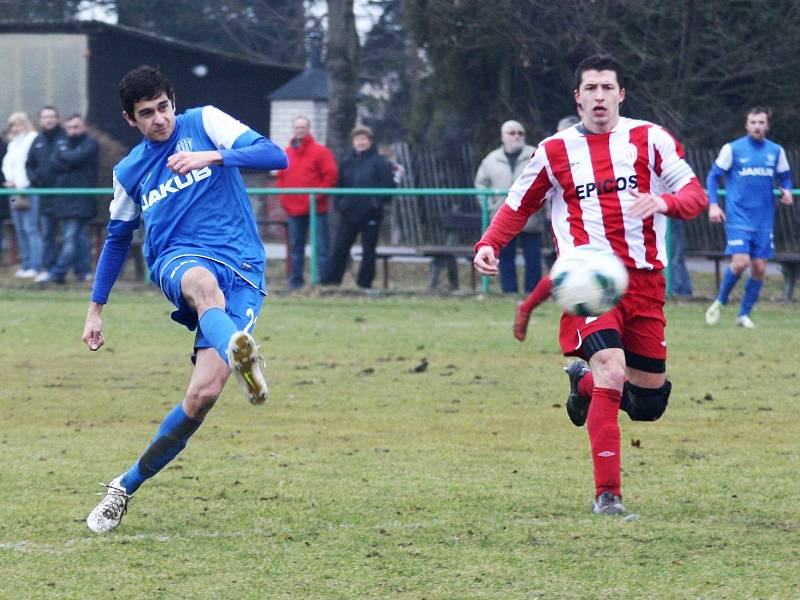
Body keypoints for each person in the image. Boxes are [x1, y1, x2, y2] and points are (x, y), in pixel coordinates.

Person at [474, 54, 707, 514]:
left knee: (647, 401)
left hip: (644, 283)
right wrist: (489, 244)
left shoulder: (650, 139)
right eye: (590, 89)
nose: (599, 96)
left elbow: (694, 196)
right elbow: (518, 205)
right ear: (577, 97)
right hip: (589, 283)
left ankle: (581, 385)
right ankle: (608, 497)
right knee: (612, 369)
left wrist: (661, 202)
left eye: (607, 88)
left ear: (621, 94)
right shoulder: (555, 150)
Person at [83, 65, 287, 533]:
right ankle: (241, 349)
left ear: (173, 101)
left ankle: (124, 486)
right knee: (201, 287)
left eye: (163, 107)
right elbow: (117, 240)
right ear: (130, 119)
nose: (159, 119)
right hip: (178, 259)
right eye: (146, 114)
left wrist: (213, 157)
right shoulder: (129, 170)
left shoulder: (206, 123)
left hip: (244, 266)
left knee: (202, 395)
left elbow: (276, 157)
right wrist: (96, 309)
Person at [704, 108, 793, 328]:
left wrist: (787, 190)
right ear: (746, 124)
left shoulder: (775, 151)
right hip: (737, 216)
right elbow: (713, 176)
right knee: (741, 262)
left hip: (763, 219)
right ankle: (721, 301)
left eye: (761, 122)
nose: (757, 126)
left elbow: (785, 178)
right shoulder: (732, 149)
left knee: (760, 268)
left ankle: (743, 315)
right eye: (753, 122)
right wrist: (713, 205)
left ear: (767, 125)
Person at [512, 115, 580, 340]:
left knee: (566, 272)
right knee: (568, 270)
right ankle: (527, 306)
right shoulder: (553, 155)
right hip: (569, 228)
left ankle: (527, 306)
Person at [322, 126, 395, 289]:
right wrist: (341, 204)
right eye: (357, 139)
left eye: (363, 139)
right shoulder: (347, 162)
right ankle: (332, 282)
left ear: (370, 141)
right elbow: (339, 186)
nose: (360, 142)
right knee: (340, 248)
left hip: (371, 214)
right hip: (349, 213)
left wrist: (376, 202)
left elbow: (389, 187)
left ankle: (365, 283)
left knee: (369, 250)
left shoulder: (380, 162)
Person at [475, 120, 542, 293]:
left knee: (533, 258)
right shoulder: (491, 159)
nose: (517, 136)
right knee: (505, 257)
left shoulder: (536, 154)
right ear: (502, 136)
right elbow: (480, 184)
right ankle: (509, 291)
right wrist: (490, 207)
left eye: (520, 133)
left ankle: (533, 292)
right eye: (512, 133)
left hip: (532, 219)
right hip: (503, 216)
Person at [276, 116, 338, 289]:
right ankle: (295, 281)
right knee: (296, 247)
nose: (300, 130)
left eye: (303, 127)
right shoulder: (287, 152)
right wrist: (284, 199)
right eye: (297, 127)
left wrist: (315, 197)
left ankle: (323, 282)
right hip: (294, 209)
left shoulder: (321, 152)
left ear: (309, 128)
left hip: (316, 208)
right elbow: (280, 178)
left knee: (321, 246)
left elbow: (330, 177)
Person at [37, 114, 99, 284]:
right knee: (80, 238)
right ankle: (83, 272)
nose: (73, 131)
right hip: (65, 199)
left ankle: (58, 272)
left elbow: (75, 158)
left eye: (76, 126)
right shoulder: (61, 143)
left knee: (71, 237)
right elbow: (53, 163)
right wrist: (69, 159)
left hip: (81, 197)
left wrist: (66, 159)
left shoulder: (90, 143)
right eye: (69, 127)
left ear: (83, 126)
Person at [26, 106, 67, 276]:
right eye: (45, 117)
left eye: (51, 116)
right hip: (45, 196)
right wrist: (35, 178)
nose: (48, 120)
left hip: (65, 196)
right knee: (47, 234)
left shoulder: (65, 138)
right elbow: (29, 164)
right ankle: (48, 268)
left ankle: (80, 271)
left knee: (72, 236)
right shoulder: (37, 140)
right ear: (41, 120)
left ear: (57, 118)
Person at [2, 112, 42, 278]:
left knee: (31, 227)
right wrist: (9, 180)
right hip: (14, 191)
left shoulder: (33, 138)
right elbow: (7, 165)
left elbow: (31, 164)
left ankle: (35, 265)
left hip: (28, 189)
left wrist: (24, 182)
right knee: (19, 227)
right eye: (13, 125)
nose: (16, 128)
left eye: (18, 124)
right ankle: (25, 264)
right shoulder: (12, 144)